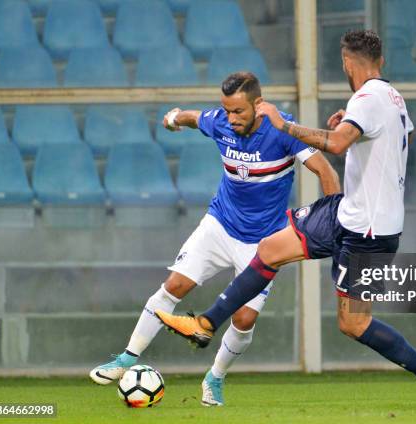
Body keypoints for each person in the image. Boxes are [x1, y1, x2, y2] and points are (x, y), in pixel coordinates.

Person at [156, 30, 416, 412]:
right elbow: (396, 138)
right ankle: (207, 324)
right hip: (347, 212)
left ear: (349, 62)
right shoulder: (390, 98)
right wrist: (356, 124)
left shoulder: (368, 97)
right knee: (271, 248)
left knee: (354, 325)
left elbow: (337, 144)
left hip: (370, 232)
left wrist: (283, 125)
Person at [89, 72, 340, 407]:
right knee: (175, 285)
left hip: (263, 243)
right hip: (219, 226)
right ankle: (126, 359)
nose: (231, 118)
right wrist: (174, 118)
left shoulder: (284, 130)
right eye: (227, 110)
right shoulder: (220, 121)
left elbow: (327, 172)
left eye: (238, 111)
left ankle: (215, 378)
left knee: (244, 319)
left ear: (258, 105)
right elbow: (195, 117)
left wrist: (333, 223)